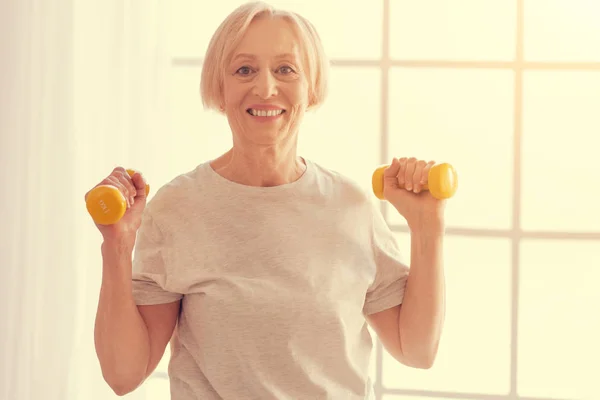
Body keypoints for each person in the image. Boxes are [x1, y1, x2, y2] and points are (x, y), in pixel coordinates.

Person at [89, 2, 446, 399]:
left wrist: (427, 229)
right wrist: (117, 245)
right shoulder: (179, 208)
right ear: (219, 88)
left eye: (285, 69)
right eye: (244, 69)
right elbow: (124, 375)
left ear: (310, 87)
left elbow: (416, 350)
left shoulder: (351, 207)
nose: (265, 88)